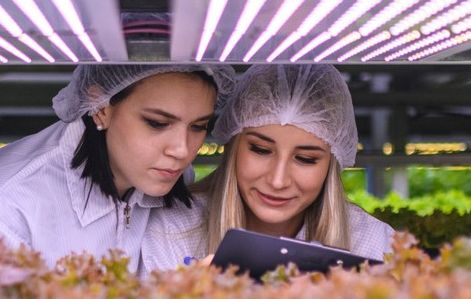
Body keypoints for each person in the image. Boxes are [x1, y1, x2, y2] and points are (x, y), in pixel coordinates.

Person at [0, 63, 232, 274]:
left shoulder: (157, 176)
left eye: (198, 126)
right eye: (157, 123)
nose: (182, 150)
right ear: (101, 107)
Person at [145, 63, 397, 269]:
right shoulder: (173, 230)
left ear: (331, 165)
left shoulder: (372, 241)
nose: (278, 181)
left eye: (306, 159)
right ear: (233, 147)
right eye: (261, 150)